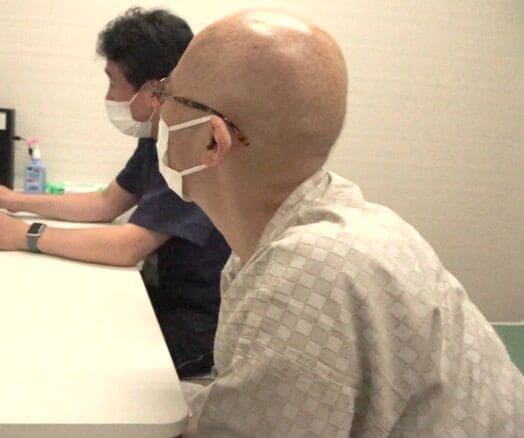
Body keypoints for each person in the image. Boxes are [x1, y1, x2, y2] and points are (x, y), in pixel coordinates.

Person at [154, 9, 524, 437]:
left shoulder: (305, 276)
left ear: (211, 141)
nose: (157, 109)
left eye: (168, 93)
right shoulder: (325, 226)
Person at [0, 7, 230, 378]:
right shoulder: (157, 137)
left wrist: (23, 234)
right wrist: (15, 201)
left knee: (65, 357)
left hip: (192, 326)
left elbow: (129, 246)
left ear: (155, 90)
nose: (109, 95)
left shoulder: (194, 150)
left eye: (112, 81)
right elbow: (105, 203)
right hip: (162, 298)